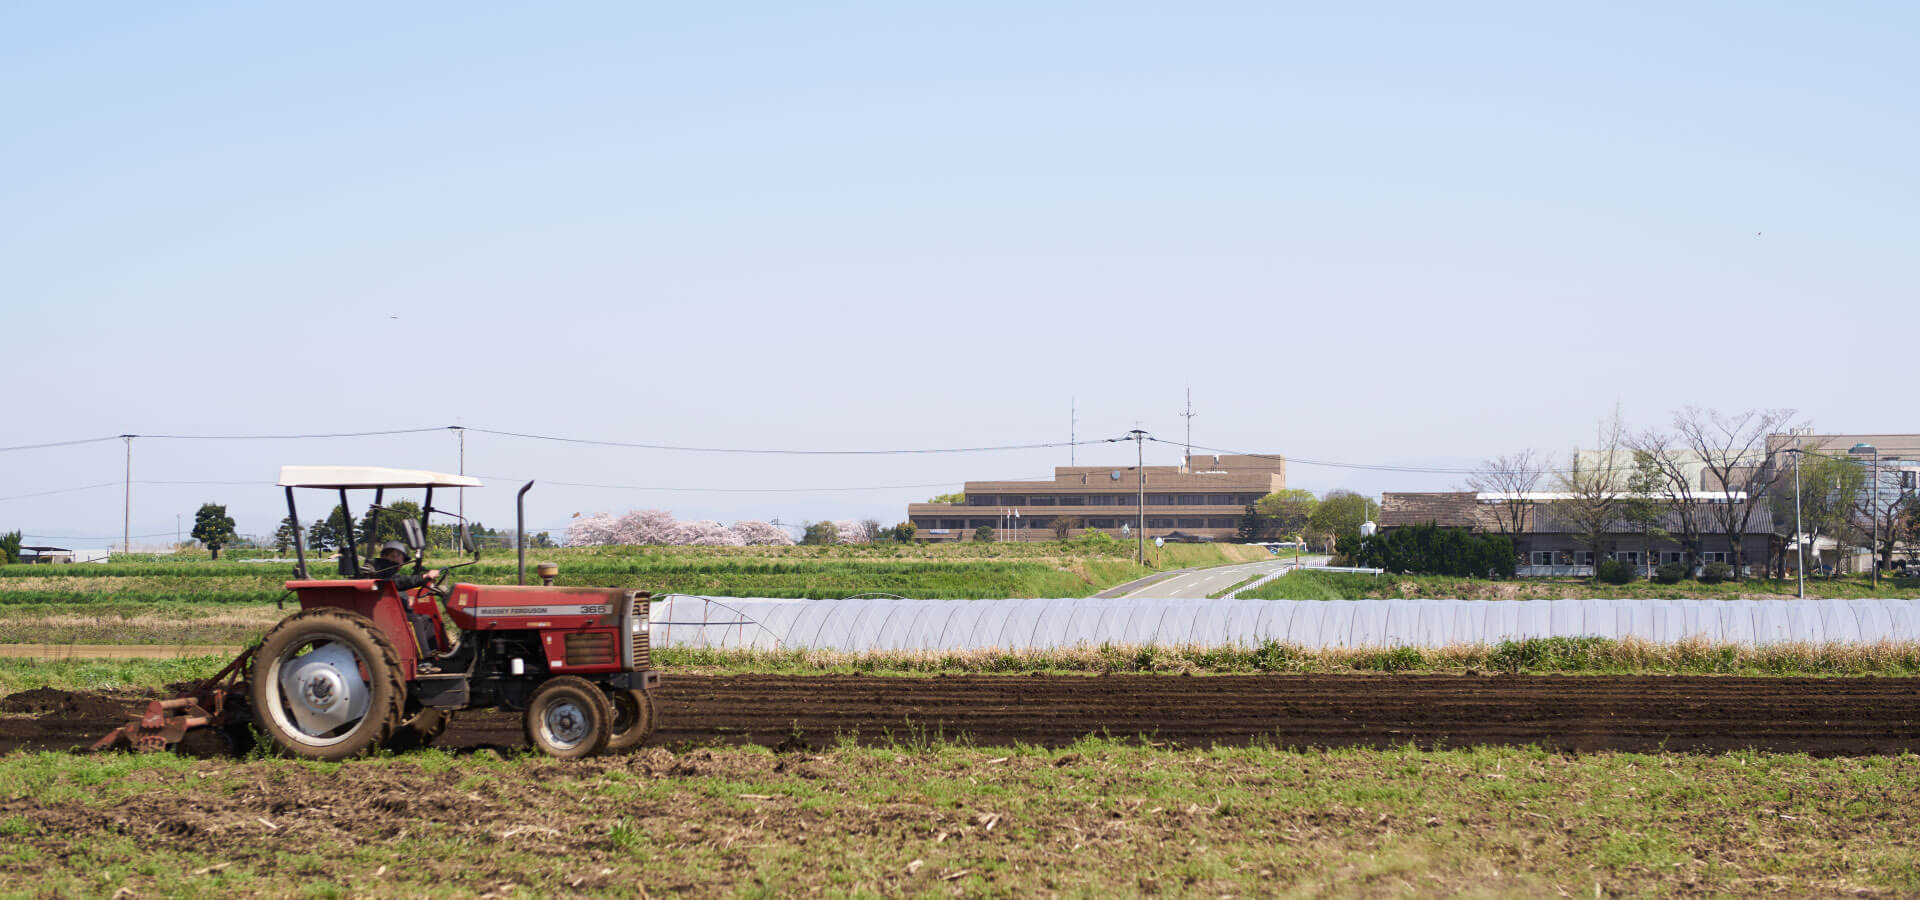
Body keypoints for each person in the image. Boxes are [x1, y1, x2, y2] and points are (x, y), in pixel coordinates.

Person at [369, 540, 439, 591]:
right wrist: (424, 577)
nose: (402, 563)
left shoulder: (376, 568)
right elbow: (398, 581)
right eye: (402, 558)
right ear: (394, 555)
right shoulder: (382, 571)